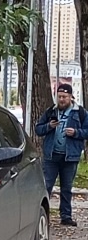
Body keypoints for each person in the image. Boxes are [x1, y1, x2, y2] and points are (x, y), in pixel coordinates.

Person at [35, 83, 87, 226]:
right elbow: (38, 129)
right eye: (59, 97)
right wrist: (49, 126)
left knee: (66, 188)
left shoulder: (80, 113)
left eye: (64, 97)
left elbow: (87, 131)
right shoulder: (51, 111)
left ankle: (66, 216)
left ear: (71, 97)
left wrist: (76, 133)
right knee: (46, 186)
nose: (61, 100)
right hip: (51, 156)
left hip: (70, 157)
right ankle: (41, 215)